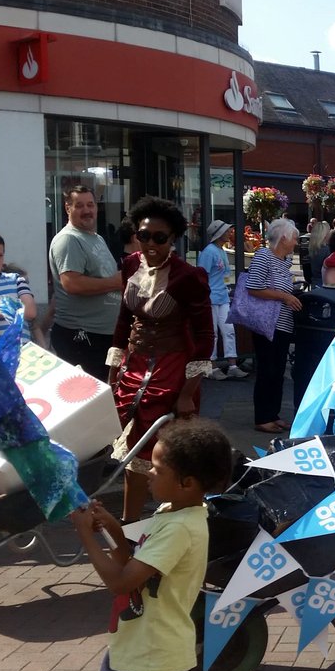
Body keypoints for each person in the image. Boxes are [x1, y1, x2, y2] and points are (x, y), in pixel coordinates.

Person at [70, 418, 288, 671]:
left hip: (157, 660)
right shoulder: (169, 513)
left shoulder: (181, 528)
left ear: (187, 483)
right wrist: (111, 529)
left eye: (156, 469)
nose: (148, 475)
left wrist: (86, 539)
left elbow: (121, 583)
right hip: (127, 651)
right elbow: (135, 567)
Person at [107, 196, 213, 523]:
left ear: (173, 238)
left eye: (160, 237)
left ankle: (179, 524)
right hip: (133, 369)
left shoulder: (189, 277)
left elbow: (206, 336)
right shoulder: (129, 266)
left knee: (167, 454)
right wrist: (113, 369)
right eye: (144, 235)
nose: (150, 243)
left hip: (172, 373)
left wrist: (186, 393)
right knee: (131, 454)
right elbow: (124, 321)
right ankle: (130, 527)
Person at [49, 185, 123, 378]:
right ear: (68, 209)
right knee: (92, 402)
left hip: (102, 335)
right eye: (79, 206)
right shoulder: (68, 240)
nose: (87, 210)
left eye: (90, 204)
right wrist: (116, 282)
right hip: (81, 336)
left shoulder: (96, 238)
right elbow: (72, 284)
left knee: (109, 397)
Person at [246, 219, 303, 435]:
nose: (297, 241)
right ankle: (262, 417)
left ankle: (273, 414)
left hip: (282, 324)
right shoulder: (264, 256)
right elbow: (254, 288)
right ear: (284, 237)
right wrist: (285, 297)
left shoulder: (283, 261)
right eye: (295, 237)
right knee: (267, 370)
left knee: (278, 371)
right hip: (266, 324)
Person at [198, 220, 248, 381]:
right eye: (227, 231)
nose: (229, 233)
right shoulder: (209, 252)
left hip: (222, 296)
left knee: (229, 330)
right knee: (212, 333)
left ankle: (232, 365)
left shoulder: (221, 250)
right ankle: (212, 367)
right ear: (219, 234)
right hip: (210, 298)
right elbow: (201, 276)